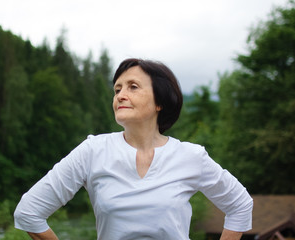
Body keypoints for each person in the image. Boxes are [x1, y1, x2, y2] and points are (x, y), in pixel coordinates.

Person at [14, 58, 253, 240]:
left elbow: (240, 204)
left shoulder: (191, 157)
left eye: (133, 87)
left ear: (160, 102)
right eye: (117, 89)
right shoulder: (93, 151)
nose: (121, 95)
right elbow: (28, 212)